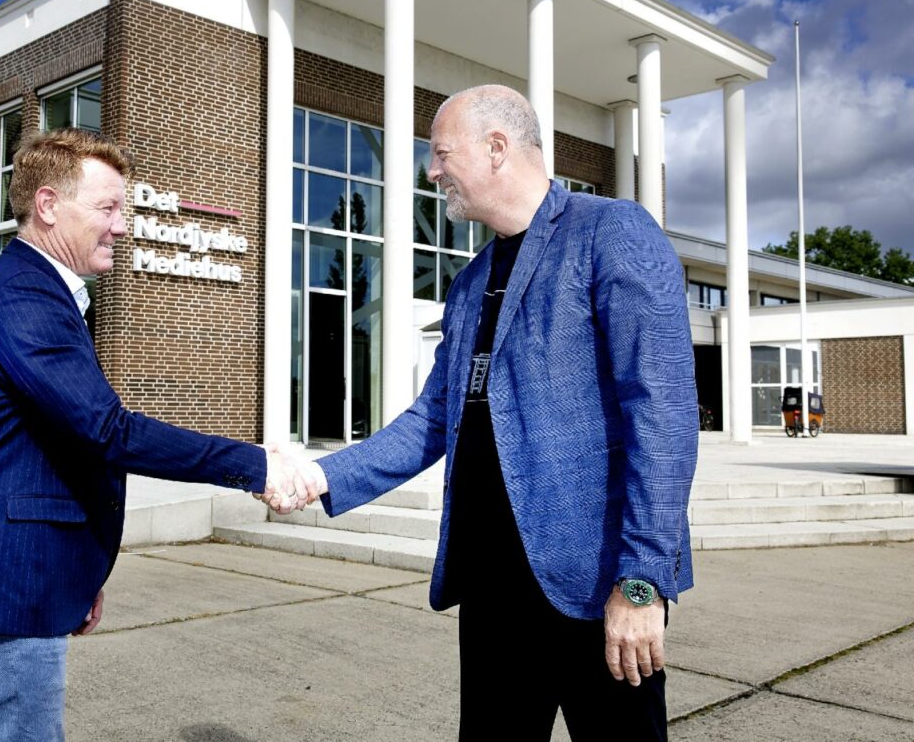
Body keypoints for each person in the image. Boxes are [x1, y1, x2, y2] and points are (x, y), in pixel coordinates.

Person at [0, 128, 315, 742]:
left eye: (126, 209)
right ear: (49, 204)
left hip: (22, 580)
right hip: (8, 585)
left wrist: (78, 575)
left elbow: (55, 452)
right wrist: (255, 466)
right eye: (108, 208)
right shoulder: (23, 295)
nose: (124, 224)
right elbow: (104, 430)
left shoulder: (36, 292)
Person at [288, 85, 697, 740]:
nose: (432, 170)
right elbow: (433, 419)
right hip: (491, 593)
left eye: (442, 152)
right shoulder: (470, 281)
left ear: (497, 147)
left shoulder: (609, 233)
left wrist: (642, 584)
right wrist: (322, 476)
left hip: (595, 591)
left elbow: (664, 413)